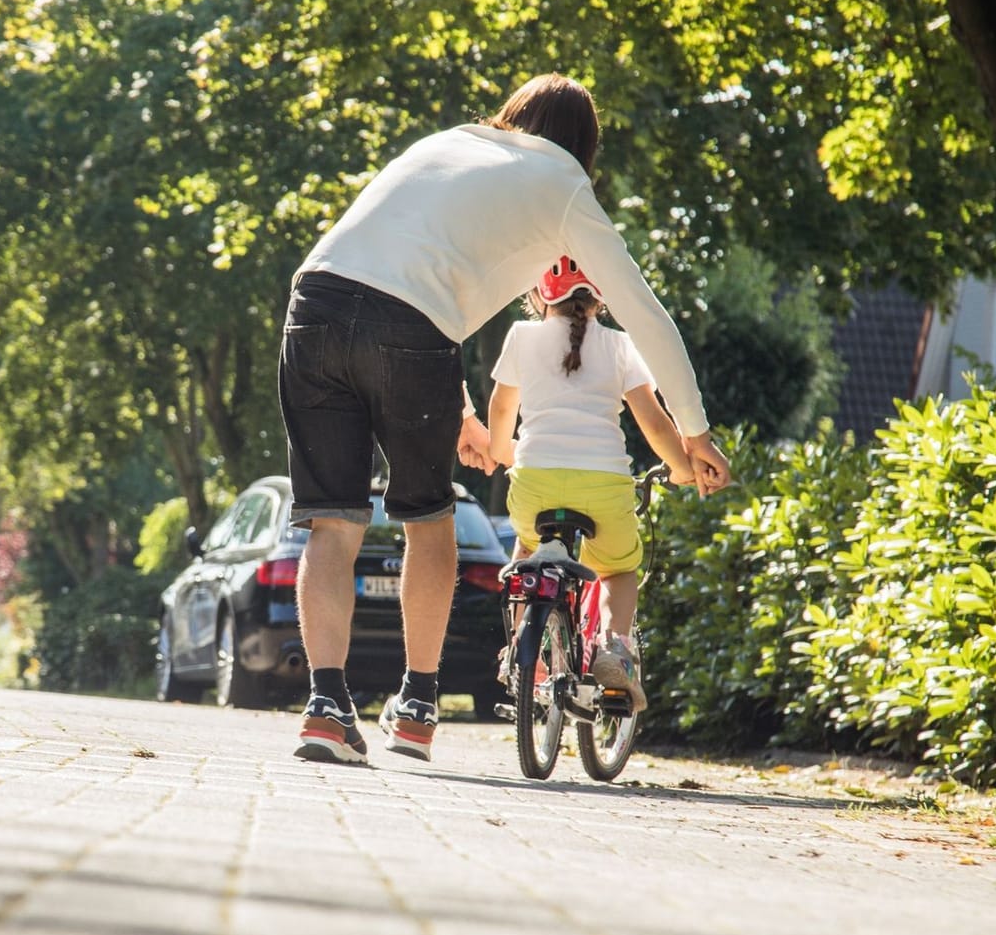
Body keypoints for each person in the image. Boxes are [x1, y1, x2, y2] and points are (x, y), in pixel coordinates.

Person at [279, 73, 730, 766]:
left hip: (314, 304)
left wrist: (458, 403)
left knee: (332, 522)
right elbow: (642, 310)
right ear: (586, 147)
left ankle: (327, 707)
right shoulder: (565, 186)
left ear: (514, 115)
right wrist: (693, 429)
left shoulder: (451, 142)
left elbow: (405, 271)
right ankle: (419, 705)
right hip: (409, 329)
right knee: (428, 518)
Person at [486, 256, 699, 713]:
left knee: (526, 550)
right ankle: (613, 654)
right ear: (601, 297)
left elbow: (502, 410)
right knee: (618, 569)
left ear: (540, 295)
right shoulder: (621, 346)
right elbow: (655, 424)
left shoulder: (520, 336)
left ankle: (524, 658)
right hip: (604, 486)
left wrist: (505, 451)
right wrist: (681, 467)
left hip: (534, 484)